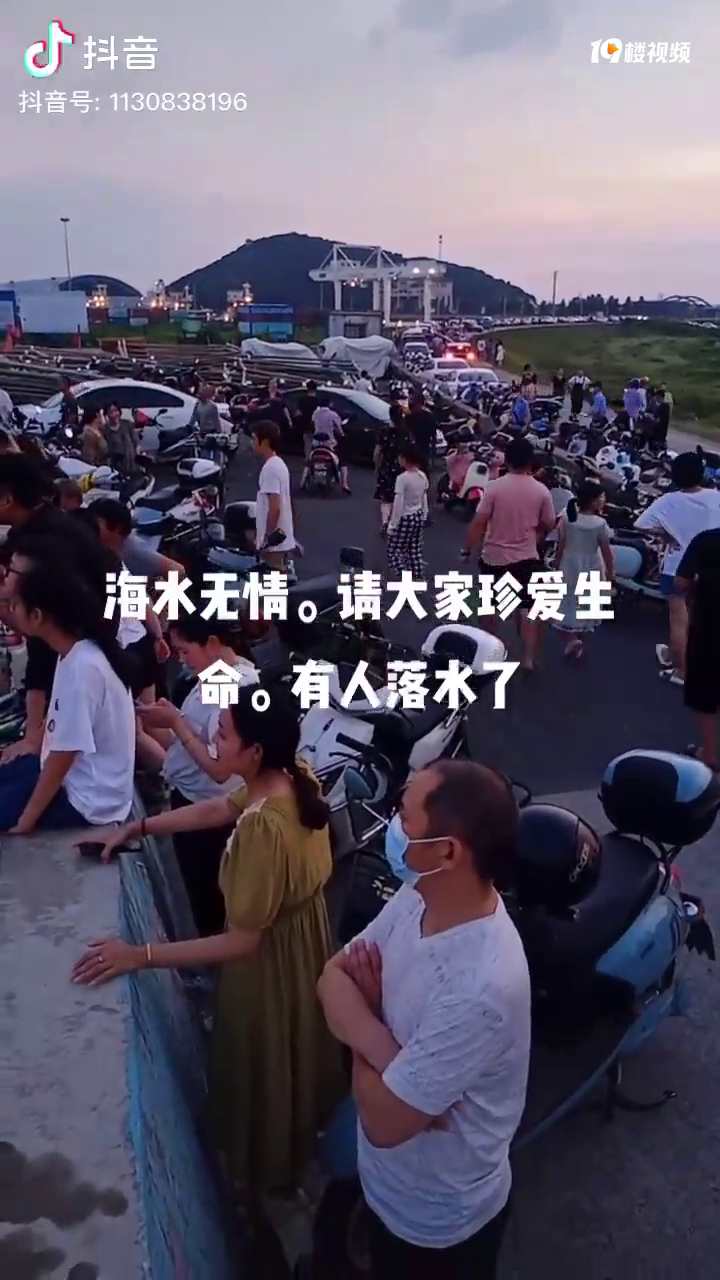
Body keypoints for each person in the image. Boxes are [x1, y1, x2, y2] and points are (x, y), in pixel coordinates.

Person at [73, 687, 345, 1195]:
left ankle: (261, 1178)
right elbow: (217, 810)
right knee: (293, 1056)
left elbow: (242, 942)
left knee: (261, 1067)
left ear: (255, 751)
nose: (213, 742)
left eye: (223, 734)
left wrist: (140, 955)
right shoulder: (294, 778)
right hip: (302, 947)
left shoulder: (264, 831)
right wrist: (140, 827)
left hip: (268, 967)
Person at [317, 760, 530, 1277]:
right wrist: (389, 1052)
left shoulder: (480, 986)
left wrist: (363, 1020)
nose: (393, 826)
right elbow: (331, 977)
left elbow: (384, 1123)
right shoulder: (418, 896)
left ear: (448, 851)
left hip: (435, 1225)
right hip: (382, 1181)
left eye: (404, 816)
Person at [135, 613, 260, 935]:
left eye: (185, 651)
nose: (182, 660)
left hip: (210, 813)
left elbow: (220, 770)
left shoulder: (233, 686)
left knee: (211, 903)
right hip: (192, 800)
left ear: (213, 643)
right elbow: (187, 743)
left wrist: (175, 722)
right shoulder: (212, 676)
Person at [0, 455, 121, 761]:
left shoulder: (45, 544)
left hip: (85, 647)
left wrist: (32, 737)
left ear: (7, 499)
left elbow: (41, 645)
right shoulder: (38, 528)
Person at [0, 561, 135, 831]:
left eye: (15, 605)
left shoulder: (83, 668)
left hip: (87, 799)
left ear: (37, 616)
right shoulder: (75, 654)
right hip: (75, 778)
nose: (10, 612)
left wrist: (26, 820)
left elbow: (64, 756)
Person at [465, 436, 556, 671]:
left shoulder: (494, 487)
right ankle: (528, 658)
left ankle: (490, 651)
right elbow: (549, 522)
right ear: (530, 462)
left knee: (489, 606)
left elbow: (479, 522)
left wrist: (468, 549)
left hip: (493, 556)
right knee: (526, 607)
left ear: (507, 460)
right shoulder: (541, 491)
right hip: (526, 557)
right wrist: (535, 533)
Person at [635, 452, 720, 685]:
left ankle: (682, 672)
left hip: (677, 567)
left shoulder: (668, 500)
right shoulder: (715, 497)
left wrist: (667, 535)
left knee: (679, 621)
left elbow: (640, 524)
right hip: (710, 568)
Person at [552, 480, 614, 659]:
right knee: (586, 603)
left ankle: (572, 639)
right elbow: (607, 552)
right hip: (592, 564)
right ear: (593, 501)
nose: (603, 500)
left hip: (570, 563)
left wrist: (556, 563)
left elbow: (561, 544)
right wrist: (611, 574)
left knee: (568, 601)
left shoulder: (568, 518)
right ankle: (578, 639)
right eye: (601, 497)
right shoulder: (600, 523)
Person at [675, 528, 720, 769]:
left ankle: (710, 753)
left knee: (705, 689)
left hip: (709, 625)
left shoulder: (707, 539)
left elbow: (681, 581)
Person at [89, 496, 184, 579]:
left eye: (96, 526)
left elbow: (178, 571)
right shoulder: (100, 547)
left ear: (117, 528)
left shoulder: (131, 550)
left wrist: (150, 591)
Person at [252, 420, 295, 570]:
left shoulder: (270, 468)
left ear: (265, 442)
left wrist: (268, 539)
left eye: (254, 438)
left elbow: (275, 507)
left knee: (274, 574)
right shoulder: (278, 464)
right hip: (280, 538)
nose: (251, 443)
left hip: (275, 542)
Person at [386, 442, 429, 578]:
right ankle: (418, 575)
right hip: (418, 515)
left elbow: (398, 502)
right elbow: (424, 497)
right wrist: (424, 514)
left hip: (405, 516)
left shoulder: (402, 479)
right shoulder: (422, 476)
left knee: (394, 550)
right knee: (414, 549)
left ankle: (404, 576)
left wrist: (392, 524)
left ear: (405, 459)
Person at [305, 396, 350, 493]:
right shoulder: (333, 415)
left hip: (316, 443)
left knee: (309, 460)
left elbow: (313, 425)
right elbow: (339, 429)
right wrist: (342, 435)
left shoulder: (315, 413)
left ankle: (304, 481)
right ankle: (345, 484)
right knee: (342, 460)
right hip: (330, 444)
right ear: (329, 404)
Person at [373, 409, 406, 535]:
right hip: (402, 469)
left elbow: (377, 452)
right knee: (398, 496)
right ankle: (394, 522)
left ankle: (385, 521)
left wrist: (376, 467)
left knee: (386, 499)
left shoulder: (385, 432)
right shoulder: (405, 433)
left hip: (387, 468)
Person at [406, 393, 437, 473]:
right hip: (421, 445)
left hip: (418, 444)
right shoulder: (429, 416)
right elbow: (434, 435)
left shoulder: (410, 416)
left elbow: (408, 430)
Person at [103, 401, 137, 474]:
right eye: (111, 412)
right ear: (106, 414)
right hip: (116, 463)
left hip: (130, 460)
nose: (114, 414)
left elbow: (135, 440)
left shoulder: (127, 424)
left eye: (116, 410)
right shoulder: (105, 429)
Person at [295, 380, 320, 457]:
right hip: (317, 425)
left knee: (307, 444)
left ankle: (308, 459)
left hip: (306, 424)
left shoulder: (302, 400)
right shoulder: (318, 401)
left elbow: (298, 413)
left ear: (307, 388)